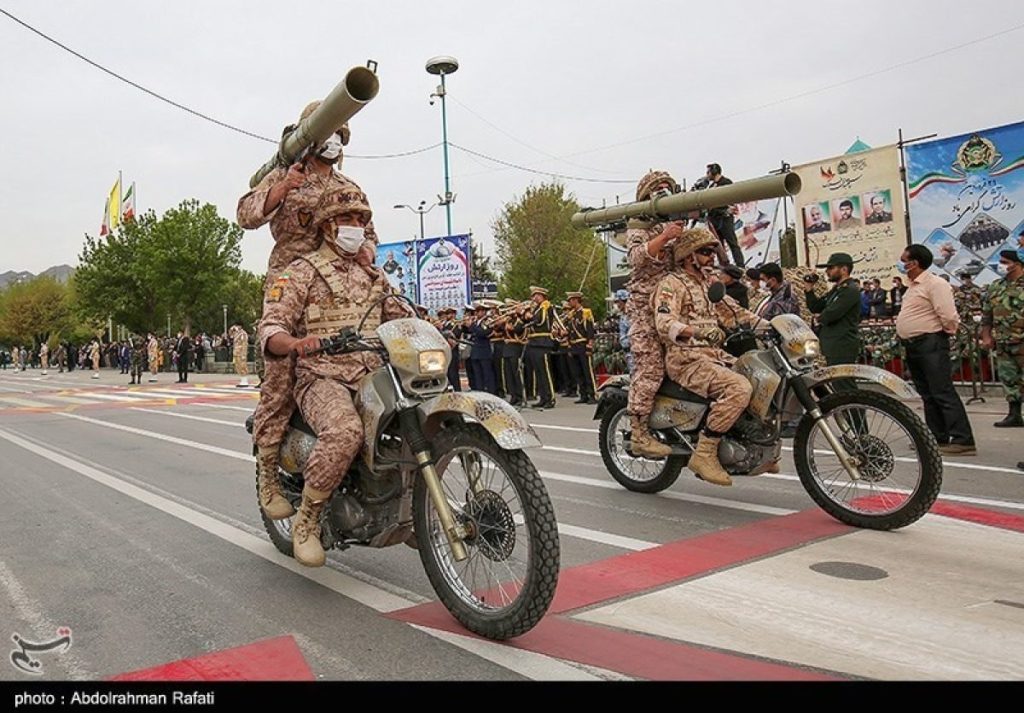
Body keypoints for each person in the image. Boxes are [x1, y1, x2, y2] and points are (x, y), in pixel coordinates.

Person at [258, 187, 410, 566]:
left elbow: (400, 316)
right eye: (347, 220)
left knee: (418, 420)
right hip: (322, 376)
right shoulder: (301, 272)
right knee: (345, 432)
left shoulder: (373, 276)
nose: (355, 227)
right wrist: (294, 343)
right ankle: (307, 520)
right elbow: (271, 326)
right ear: (327, 226)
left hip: (374, 374)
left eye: (360, 221)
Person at [237, 101, 375, 497]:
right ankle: (268, 472)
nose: (332, 140)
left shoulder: (349, 189)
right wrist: (282, 188)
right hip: (292, 283)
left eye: (338, 134)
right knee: (281, 375)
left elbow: (369, 233)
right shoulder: (286, 174)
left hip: (339, 287)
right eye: (326, 133)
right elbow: (245, 215)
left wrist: (367, 253)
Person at [653, 227, 768, 486]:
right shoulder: (672, 284)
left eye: (713, 251)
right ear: (687, 255)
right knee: (739, 387)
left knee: (761, 378)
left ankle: (757, 446)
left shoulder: (709, 284)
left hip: (714, 355)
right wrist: (696, 332)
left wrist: (773, 326)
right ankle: (705, 453)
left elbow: (735, 313)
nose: (711, 257)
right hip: (686, 358)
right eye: (704, 251)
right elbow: (663, 321)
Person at [622, 171, 682, 458]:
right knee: (651, 369)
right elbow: (635, 257)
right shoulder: (640, 225)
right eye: (658, 188)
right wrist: (665, 237)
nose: (663, 191)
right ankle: (639, 433)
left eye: (667, 188)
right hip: (646, 307)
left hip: (674, 304)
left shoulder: (676, 221)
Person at [896, 244, 977, 455]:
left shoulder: (935, 284)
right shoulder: (913, 286)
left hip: (930, 343)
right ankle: (936, 437)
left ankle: (963, 439)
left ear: (914, 263)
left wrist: (943, 333)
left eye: (904, 260)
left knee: (942, 391)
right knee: (927, 394)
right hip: (914, 345)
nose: (901, 264)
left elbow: (949, 316)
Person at [980, 249, 1024, 428]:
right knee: (1008, 378)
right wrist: (986, 336)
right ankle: (1014, 414)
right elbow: (987, 315)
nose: (1001, 265)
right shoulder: (996, 286)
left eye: (1005, 262)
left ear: (1017, 264)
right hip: (1004, 341)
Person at [803, 253, 862, 369]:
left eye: (831, 268)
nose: (827, 271)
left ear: (844, 269)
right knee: (836, 383)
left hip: (842, 345)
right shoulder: (837, 290)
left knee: (843, 384)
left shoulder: (850, 290)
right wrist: (809, 288)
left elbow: (831, 314)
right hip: (833, 345)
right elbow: (816, 307)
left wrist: (819, 317)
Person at [704, 163, 745, 266]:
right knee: (718, 245)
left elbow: (730, 201)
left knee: (732, 243)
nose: (707, 175)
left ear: (714, 172)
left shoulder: (726, 183)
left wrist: (725, 209)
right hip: (714, 218)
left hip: (724, 219)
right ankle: (724, 265)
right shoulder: (711, 186)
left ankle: (740, 265)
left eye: (708, 172)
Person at [523, 286, 557, 409]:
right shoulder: (537, 308)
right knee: (538, 372)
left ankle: (550, 398)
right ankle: (543, 397)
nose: (534, 298)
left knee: (545, 372)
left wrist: (530, 316)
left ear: (542, 295)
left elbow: (540, 321)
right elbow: (527, 324)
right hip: (534, 342)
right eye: (533, 295)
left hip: (542, 342)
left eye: (536, 295)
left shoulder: (546, 306)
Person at [566, 292, 598, 405]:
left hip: (583, 345)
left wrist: (589, 345)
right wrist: (569, 346)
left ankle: (592, 394)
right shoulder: (571, 315)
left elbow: (590, 331)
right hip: (574, 346)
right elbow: (570, 332)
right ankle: (583, 394)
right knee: (578, 373)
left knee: (587, 372)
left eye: (571, 300)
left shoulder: (586, 313)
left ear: (576, 300)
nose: (569, 302)